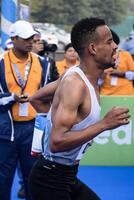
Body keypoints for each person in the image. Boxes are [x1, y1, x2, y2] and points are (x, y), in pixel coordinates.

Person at [29, 17, 130, 200]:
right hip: (50, 180)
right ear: (92, 49)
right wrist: (104, 124)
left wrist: (51, 121)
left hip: (66, 175)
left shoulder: (77, 75)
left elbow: (37, 98)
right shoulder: (75, 84)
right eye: (109, 41)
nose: (115, 46)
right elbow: (57, 142)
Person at [0, 20, 52, 200]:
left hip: (33, 129)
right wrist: (12, 97)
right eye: (25, 38)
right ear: (13, 39)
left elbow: (48, 95)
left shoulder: (43, 62)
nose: (31, 41)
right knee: (3, 179)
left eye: (32, 37)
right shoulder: (1, 61)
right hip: (6, 130)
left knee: (34, 178)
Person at [100, 29, 134, 95]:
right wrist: (102, 74)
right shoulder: (101, 57)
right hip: (106, 94)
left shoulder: (125, 55)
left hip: (126, 93)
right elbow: (97, 81)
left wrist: (122, 73)